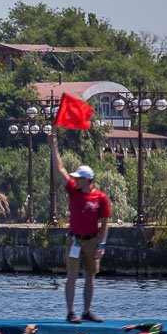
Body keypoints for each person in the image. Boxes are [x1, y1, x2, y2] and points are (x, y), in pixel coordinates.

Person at [49, 132, 111, 324]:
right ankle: (70, 313)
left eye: (79, 178)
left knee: (90, 276)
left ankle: (87, 311)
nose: (75, 180)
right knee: (72, 276)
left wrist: (102, 244)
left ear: (87, 180)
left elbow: (104, 222)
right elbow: (60, 169)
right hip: (75, 239)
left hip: (92, 240)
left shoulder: (100, 197)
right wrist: (54, 146)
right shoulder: (73, 192)